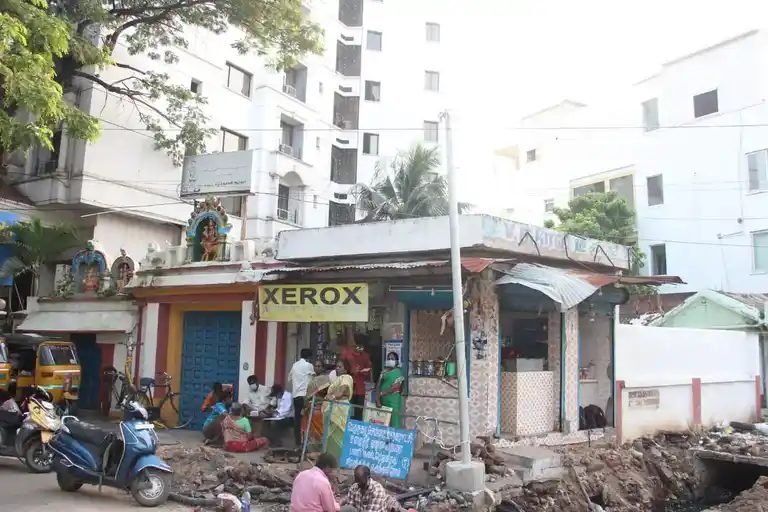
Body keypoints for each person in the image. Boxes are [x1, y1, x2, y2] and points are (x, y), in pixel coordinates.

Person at [323, 359, 353, 460]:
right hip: (333, 408)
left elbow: (341, 392)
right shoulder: (337, 379)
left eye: (340, 367)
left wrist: (332, 396)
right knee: (330, 434)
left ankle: (339, 458)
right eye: (336, 366)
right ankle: (329, 457)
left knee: (340, 432)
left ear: (346, 369)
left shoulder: (347, 377)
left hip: (341, 408)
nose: (337, 368)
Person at [341, 332, 372, 421]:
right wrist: (350, 371)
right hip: (348, 385)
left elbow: (369, 370)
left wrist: (362, 372)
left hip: (359, 388)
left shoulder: (365, 356)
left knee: (358, 411)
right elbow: (341, 367)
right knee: (347, 410)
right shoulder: (347, 354)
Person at [301, 361, 332, 449]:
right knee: (308, 429)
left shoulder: (326, 379)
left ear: (323, 367)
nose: (317, 367)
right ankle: (308, 448)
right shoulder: (312, 379)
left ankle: (318, 449)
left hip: (320, 407)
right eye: (316, 366)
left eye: (319, 366)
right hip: (310, 407)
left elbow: (326, 393)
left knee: (319, 431)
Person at [289, 348, 316, 446]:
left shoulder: (294, 365)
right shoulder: (309, 366)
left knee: (297, 420)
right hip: (305, 397)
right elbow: (313, 380)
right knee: (307, 419)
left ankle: (298, 443)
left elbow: (289, 378)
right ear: (309, 357)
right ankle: (306, 443)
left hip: (296, 396)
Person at [376, 352, 404, 428]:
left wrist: (383, 393)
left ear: (396, 361)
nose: (390, 360)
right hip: (383, 400)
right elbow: (378, 385)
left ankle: (394, 435)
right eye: (388, 359)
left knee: (394, 420)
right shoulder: (384, 372)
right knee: (383, 421)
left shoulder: (398, 373)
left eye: (392, 359)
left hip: (393, 400)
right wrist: (377, 399)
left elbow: (396, 386)